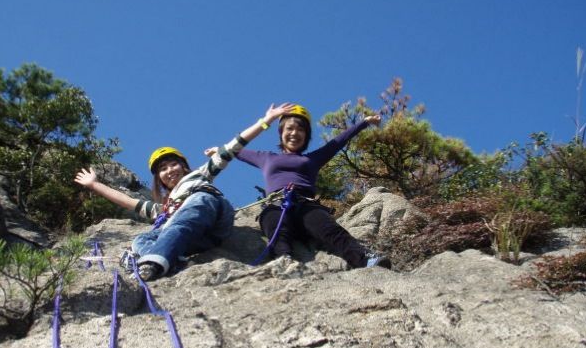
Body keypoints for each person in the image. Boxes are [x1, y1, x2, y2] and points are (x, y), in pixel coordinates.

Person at [74, 103, 296, 281]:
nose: (169, 170)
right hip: (195, 239)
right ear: (158, 178)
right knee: (143, 237)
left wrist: (266, 121)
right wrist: (94, 184)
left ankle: (152, 261)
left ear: (183, 166)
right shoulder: (162, 208)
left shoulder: (199, 175)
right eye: (162, 169)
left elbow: (233, 146)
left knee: (195, 203)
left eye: (173, 164)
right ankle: (167, 258)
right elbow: (128, 201)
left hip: (210, 213)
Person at [208, 104, 388, 269]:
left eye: (300, 129)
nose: (294, 133)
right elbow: (235, 149)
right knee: (276, 228)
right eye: (290, 128)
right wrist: (220, 151)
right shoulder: (266, 157)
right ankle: (285, 265)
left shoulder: (312, 158)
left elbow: (338, 142)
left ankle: (364, 259)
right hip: (277, 204)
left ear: (306, 136)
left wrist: (364, 123)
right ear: (281, 133)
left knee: (330, 230)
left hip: (306, 205)